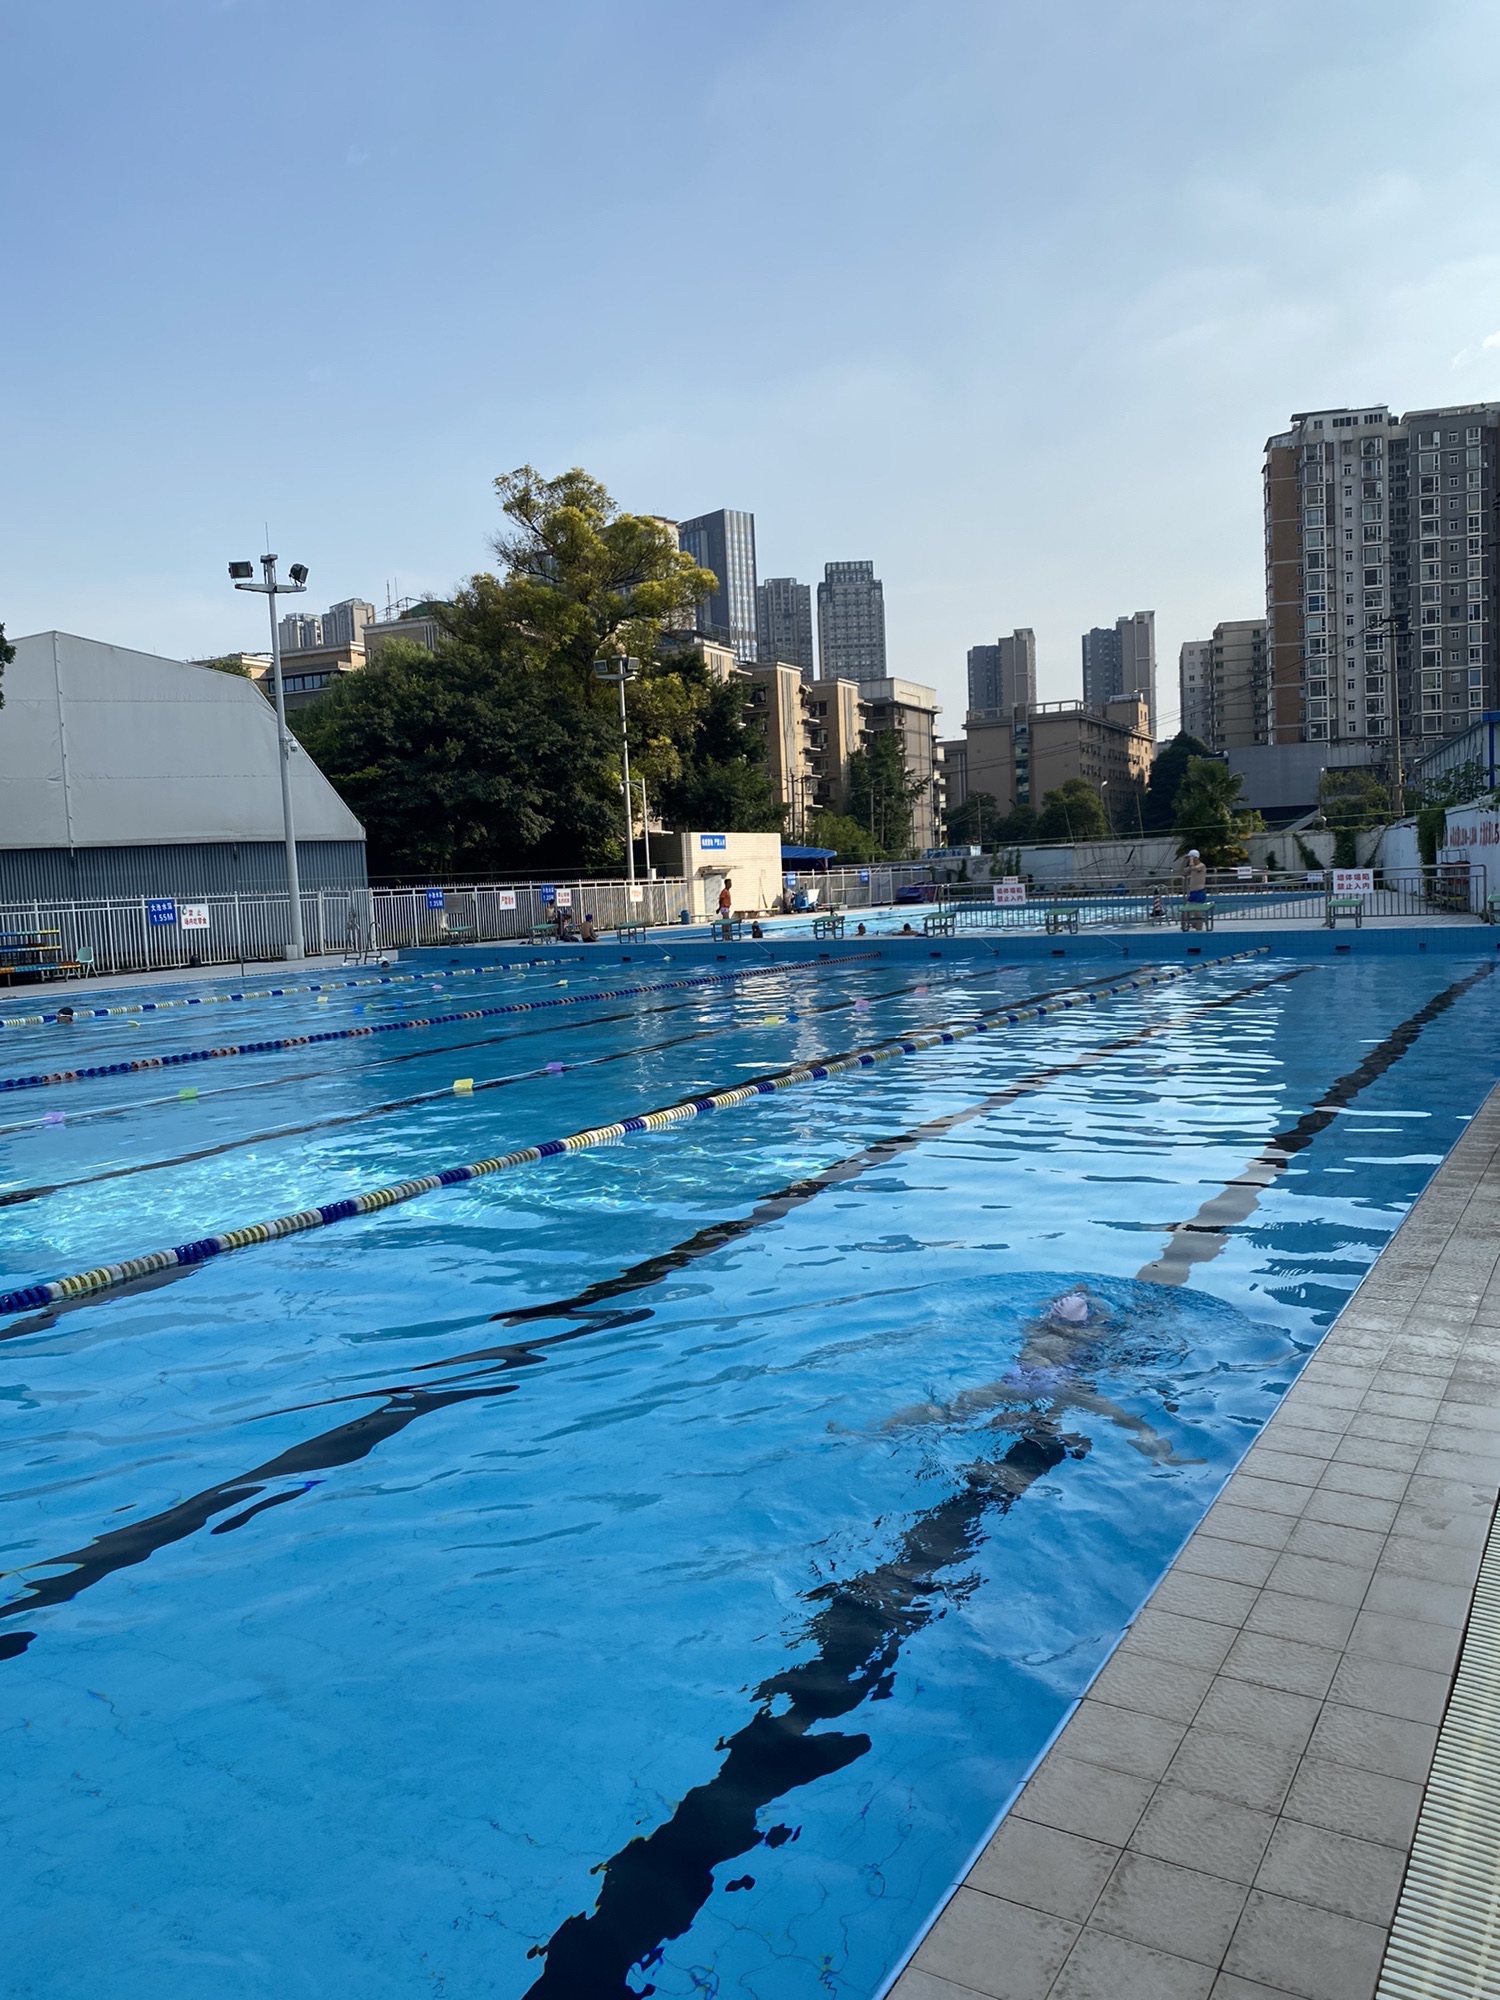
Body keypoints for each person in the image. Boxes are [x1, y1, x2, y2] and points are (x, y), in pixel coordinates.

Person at [882, 1289, 1190, 1466]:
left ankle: (883, 1430)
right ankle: (1155, 1446)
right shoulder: (1092, 1332)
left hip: (1020, 1377)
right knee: (1121, 1416)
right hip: (1059, 1381)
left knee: (952, 1409)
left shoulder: (1036, 1327)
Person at [1180, 848, 1208, 929]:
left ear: (1195, 858)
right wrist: (1184, 861)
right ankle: (1185, 927)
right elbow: (1182, 872)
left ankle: (1199, 930)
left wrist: (1191, 859)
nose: (1190, 860)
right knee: (1184, 912)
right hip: (1192, 893)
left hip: (1199, 892)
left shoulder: (1201, 866)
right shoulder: (1192, 867)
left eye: (1191, 858)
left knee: (1197, 913)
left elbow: (1193, 868)